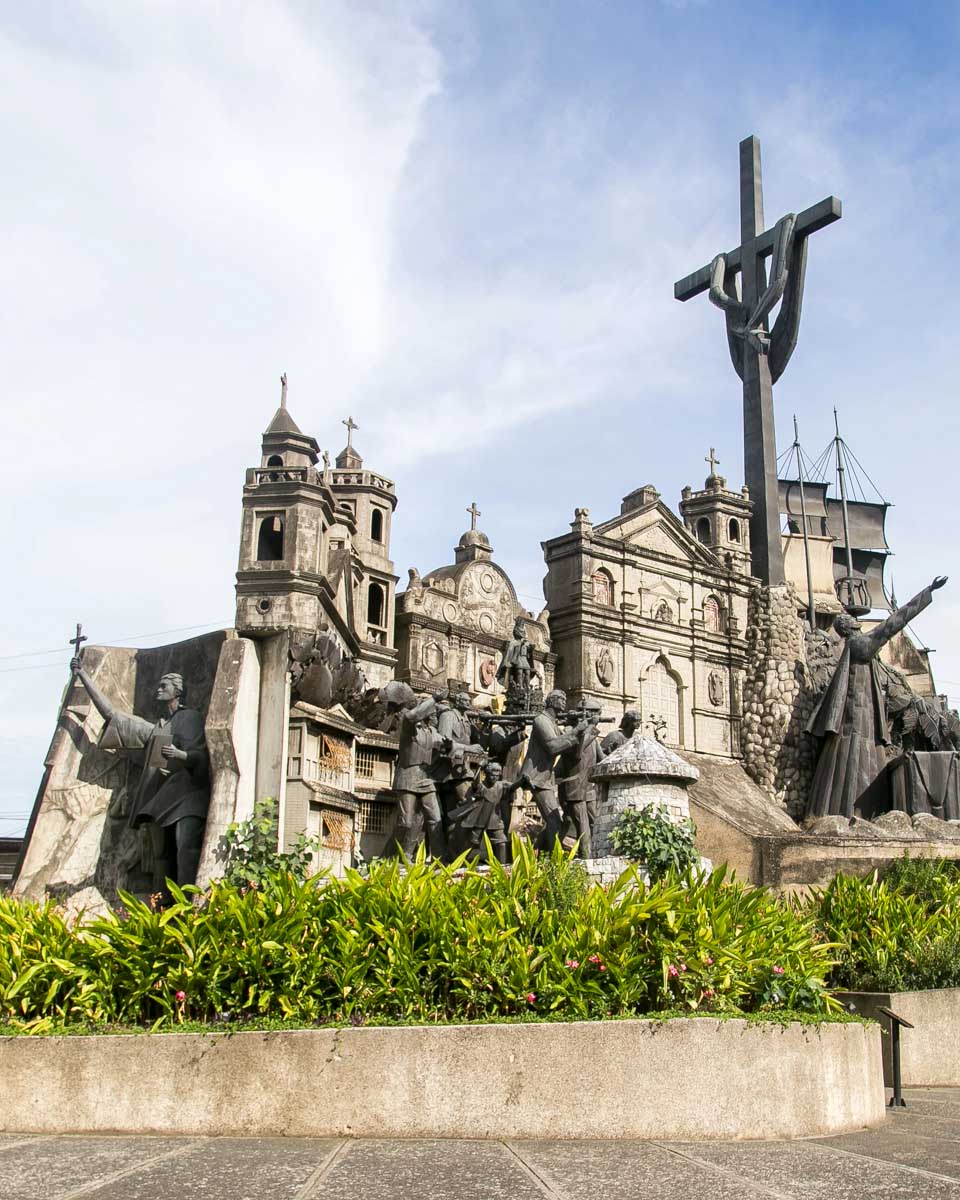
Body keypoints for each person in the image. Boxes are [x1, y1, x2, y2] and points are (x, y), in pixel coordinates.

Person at [806, 576, 947, 820]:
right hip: (860, 718)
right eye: (853, 620)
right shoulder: (861, 645)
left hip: (855, 717)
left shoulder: (851, 649)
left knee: (845, 761)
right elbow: (895, 622)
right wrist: (928, 592)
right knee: (862, 759)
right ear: (851, 626)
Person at [70, 658, 209, 887]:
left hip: (187, 792)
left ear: (178, 691)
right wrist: (82, 674)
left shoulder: (190, 717)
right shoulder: (158, 728)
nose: (159, 689)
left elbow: (200, 756)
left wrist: (178, 755)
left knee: (186, 846)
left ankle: (189, 904)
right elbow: (112, 714)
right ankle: (160, 902)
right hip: (162, 796)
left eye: (164, 686)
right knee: (160, 855)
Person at [520, 689, 587, 850]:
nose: (564, 701)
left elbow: (573, 752)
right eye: (560, 698)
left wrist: (580, 730)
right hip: (535, 777)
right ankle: (549, 859)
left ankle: (540, 850)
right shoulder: (541, 720)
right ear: (551, 701)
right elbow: (553, 746)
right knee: (554, 820)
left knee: (560, 820)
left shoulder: (553, 723)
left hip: (545, 778)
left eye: (564, 698)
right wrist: (576, 731)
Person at [389, 690, 450, 859]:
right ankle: (396, 856)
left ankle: (439, 858)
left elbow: (447, 744)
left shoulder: (431, 733)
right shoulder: (409, 728)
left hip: (425, 778)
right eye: (433, 712)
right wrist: (434, 698)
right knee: (406, 822)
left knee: (435, 819)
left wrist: (469, 748)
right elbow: (410, 717)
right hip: (408, 777)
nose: (436, 716)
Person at [447, 762, 523, 865]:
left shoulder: (500, 785)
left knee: (501, 842)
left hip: (494, 819)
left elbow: (512, 788)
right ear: (486, 774)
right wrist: (479, 767)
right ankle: (461, 862)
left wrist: (522, 781)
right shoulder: (481, 786)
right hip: (479, 819)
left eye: (497, 776)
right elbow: (475, 783)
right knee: (472, 844)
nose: (494, 778)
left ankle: (503, 868)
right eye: (492, 775)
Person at [558, 702, 603, 858]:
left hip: (588, 788)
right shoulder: (569, 731)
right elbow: (577, 752)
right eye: (594, 712)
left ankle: (596, 853)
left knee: (594, 822)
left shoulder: (592, 736)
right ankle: (586, 860)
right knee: (580, 825)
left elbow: (602, 760)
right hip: (574, 787)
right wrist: (590, 727)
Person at [435, 691, 486, 819]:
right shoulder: (447, 716)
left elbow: (478, 742)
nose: (469, 703)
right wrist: (469, 748)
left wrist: (486, 726)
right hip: (452, 770)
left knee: (470, 804)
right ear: (457, 702)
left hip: (468, 767)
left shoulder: (467, 719)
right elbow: (444, 743)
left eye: (470, 700)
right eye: (465, 700)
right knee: (467, 804)